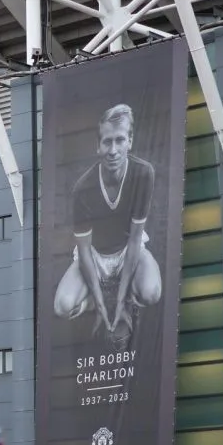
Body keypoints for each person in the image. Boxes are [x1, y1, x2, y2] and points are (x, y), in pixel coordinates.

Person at [53, 104, 162, 342]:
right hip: (95, 256)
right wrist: (102, 307)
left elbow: (134, 241)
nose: (113, 150)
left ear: (130, 141)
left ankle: (127, 296)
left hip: (127, 250)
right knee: (62, 306)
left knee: (152, 292)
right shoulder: (83, 188)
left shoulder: (143, 174)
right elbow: (83, 251)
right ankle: (94, 301)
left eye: (120, 140)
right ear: (98, 145)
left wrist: (121, 302)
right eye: (107, 142)